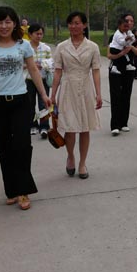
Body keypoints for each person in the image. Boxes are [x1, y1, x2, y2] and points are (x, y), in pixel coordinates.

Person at [0, 6, 51, 211]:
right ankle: (11, 190)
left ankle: (24, 190)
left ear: (15, 23)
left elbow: (33, 70)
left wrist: (44, 95)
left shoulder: (23, 45)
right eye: (0, 22)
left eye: (8, 21)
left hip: (21, 102)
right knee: (4, 147)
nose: (4, 26)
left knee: (22, 145)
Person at [50, 11, 103, 178]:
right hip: (67, 89)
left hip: (86, 88)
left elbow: (95, 71)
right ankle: (71, 157)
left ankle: (82, 163)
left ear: (84, 25)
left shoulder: (92, 47)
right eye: (71, 23)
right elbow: (57, 71)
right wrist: (52, 94)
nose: (74, 26)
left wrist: (98, 93)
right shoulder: (61, 47)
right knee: (70, 127)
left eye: (78, 23)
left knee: (85, 128)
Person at [107, 13, 137, 136]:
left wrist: (130, 47)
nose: (129, 23)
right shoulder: (115, 36)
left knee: (126, 96)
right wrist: (122, 53)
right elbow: (109, 55)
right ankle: (115, 125)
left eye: (131, 21)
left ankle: (124, 123)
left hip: (129, 70)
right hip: (116, 69)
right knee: (116, 96)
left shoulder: (133, 36)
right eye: (127, 21)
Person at [25, 23, 53, 138]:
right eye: (37, 34)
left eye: (41, 34)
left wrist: (44, 65)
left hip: (43, 79)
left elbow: (51, 63)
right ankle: (33, 125)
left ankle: (44, 127)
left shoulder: (46, 48)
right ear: (30, 34)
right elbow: (20, 64)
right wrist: (30, 66)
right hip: (29, 80)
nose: (39, 36)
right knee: (30, 103)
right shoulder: (25, 47)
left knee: (44, 104)